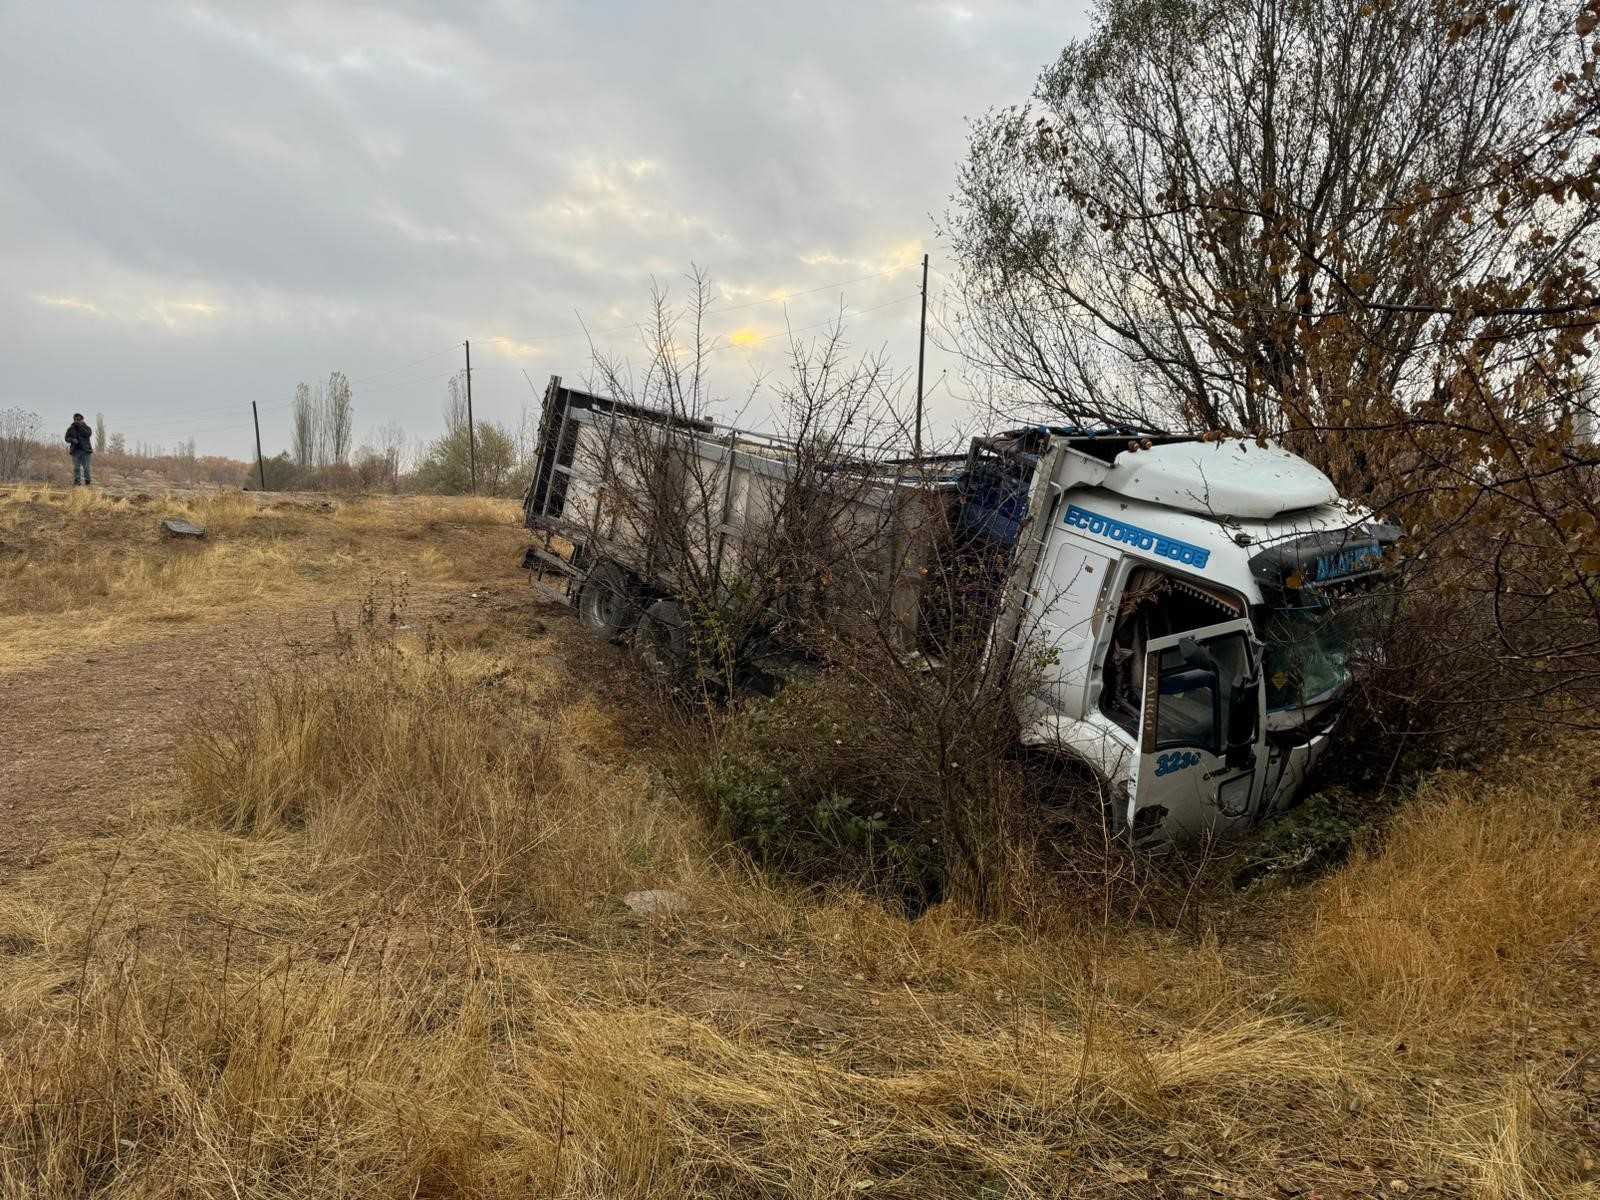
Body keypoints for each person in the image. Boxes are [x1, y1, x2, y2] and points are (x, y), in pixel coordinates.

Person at [65, 413, 93, 485]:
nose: (76, 421)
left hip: (86, 451)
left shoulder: (87, 428)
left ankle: (88, 482)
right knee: (76, 468)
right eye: (75, 419)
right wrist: (72, 439)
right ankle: (77, 482)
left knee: (86, 468)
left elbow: (88, 434)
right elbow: (66, 438)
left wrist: (80, 427)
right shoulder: (71, 429)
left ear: (82, 420)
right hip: (75, 451)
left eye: (78, 419)